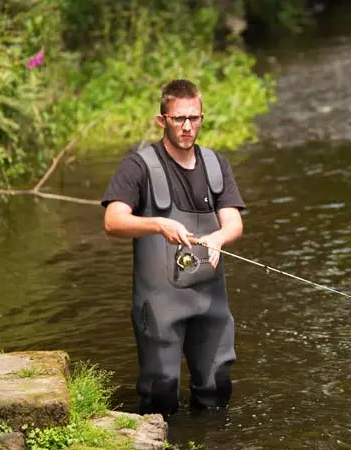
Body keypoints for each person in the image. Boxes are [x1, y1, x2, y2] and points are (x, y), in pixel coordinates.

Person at [101, 79, 245, 418]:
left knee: (218, 388)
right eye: (179, 118)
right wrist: (157, 224)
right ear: (162, 119)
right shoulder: (137, 167)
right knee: (161, 395)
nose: (187, 126)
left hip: (211, 301)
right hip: (159, 305)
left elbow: (234, 223)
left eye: (194, 118)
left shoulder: (216, 165)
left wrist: (219, 238)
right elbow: (113, 221)